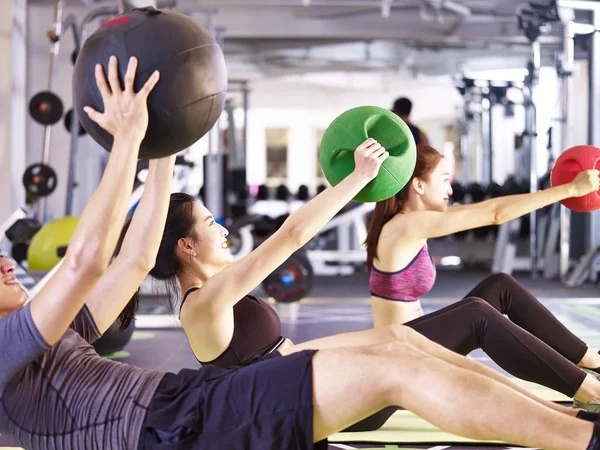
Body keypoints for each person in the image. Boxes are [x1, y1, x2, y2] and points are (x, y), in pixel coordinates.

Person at [5, 57, 600, 450]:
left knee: (404, 345)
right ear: (187, 247)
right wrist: (129, 138)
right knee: (407, 356)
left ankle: (577, 419)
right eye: (210, 223)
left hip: (192, 398)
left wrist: (163, 145)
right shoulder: (201, 304)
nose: (6, 263)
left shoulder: (64, 338)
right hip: (189, 422)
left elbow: (132, 258)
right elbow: (88, 261)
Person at [364, 144, 600, 413]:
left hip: (416, 347)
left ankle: (592, 360)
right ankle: (590, 391)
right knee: (476, 314)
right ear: (418, 185)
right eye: (444, 181)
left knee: (500, 286)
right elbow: (495, 215)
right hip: (401, 360)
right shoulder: (406, 225)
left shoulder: (413, 221)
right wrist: (569, 190)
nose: (450, 190)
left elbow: (487, 207)